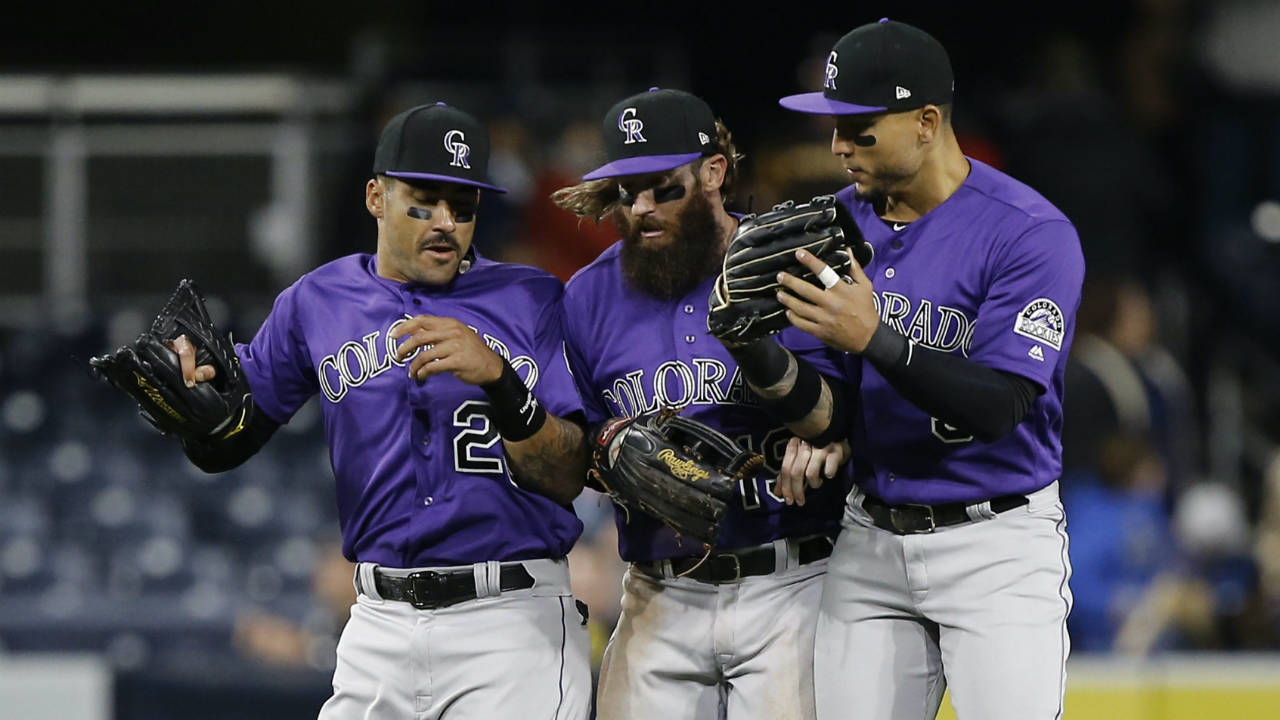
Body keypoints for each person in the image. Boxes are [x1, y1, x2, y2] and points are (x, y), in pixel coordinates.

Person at [159, 103, 591, 718]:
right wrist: (192, 399)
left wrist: (500, 380)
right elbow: (229, 440)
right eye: (425, 201)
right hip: (378, 624)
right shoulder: (317, 300)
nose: (446, 223)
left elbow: (567, 472)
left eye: (462, 207)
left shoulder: (531, 298)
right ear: (375, 197)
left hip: (510, 621)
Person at [772, 19, 1084, 720]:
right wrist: (812, 423)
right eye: (833, 127)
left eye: (858, 130)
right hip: (870, 539)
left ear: (927, 123)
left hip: (996, 543)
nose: (837, 146)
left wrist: (876, 338)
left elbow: (1000, 405)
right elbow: (825, 383)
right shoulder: (830, 225)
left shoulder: (1028, 233)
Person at [551, 87, 850, 720]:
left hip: (792, 582)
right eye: (627, 193)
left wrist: (833, 432)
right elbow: (576, 443)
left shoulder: (782, 266)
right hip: (659, 591)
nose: (642, 208)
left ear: (713, 172)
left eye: (664, 189)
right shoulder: (587, 297)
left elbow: (849, 400)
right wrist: (605, 450)